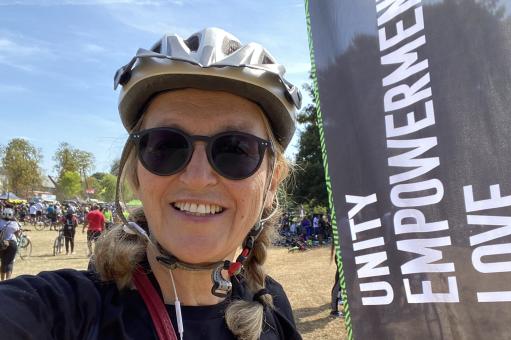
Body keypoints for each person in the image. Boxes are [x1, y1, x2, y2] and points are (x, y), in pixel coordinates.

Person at [0, 27, 302, 339]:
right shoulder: (64, 311)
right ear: (135, 176)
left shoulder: (273, 307)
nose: (197, 178)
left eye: (236, 150)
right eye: (166, 146)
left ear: (271, 184)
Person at [0, 208, 21, 281]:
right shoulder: (14, 223)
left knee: (3, 262)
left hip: (1, 244)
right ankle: (8, 280)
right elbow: (18, 234)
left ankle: (2, 281)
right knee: (9, 262)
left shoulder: (0, 222)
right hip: (12, 243)